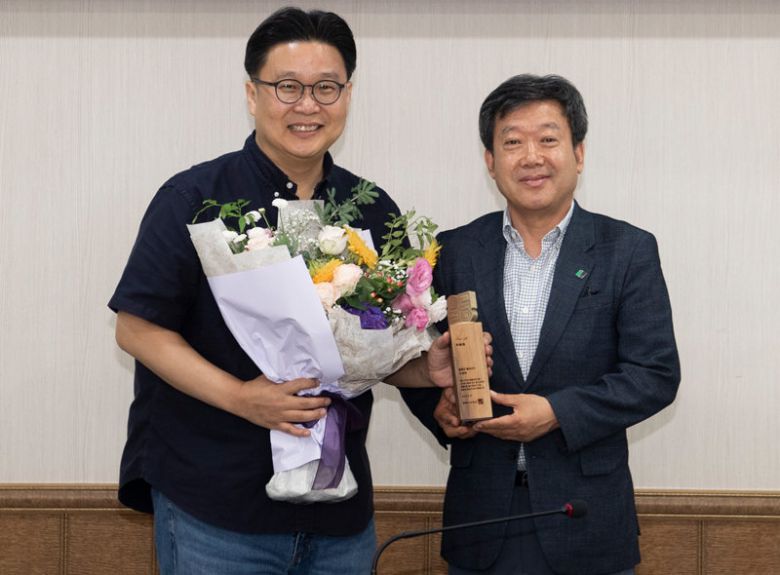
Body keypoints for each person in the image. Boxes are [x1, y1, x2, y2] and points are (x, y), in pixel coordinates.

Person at [108, 7, 464, 574]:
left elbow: (375, 348)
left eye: (326, 87)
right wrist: (240, 397)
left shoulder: (372, 209)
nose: (308, 105)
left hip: (339, 509)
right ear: (253, 94)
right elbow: (136, 328)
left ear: (348, 95)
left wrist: (427, 368)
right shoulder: (194, 198)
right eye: (287, 86)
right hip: (217, 504)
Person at [401, 74, 681, 575]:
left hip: (586, 516)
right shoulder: (454, 251)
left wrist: (556, 412)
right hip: (480, 518)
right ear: (490, 161)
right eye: (513, 142)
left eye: (548, 139)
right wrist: (439, 410)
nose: (531, 157)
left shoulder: (627, 250)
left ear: (579, 153)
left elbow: (654, 375)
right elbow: (414, 357)